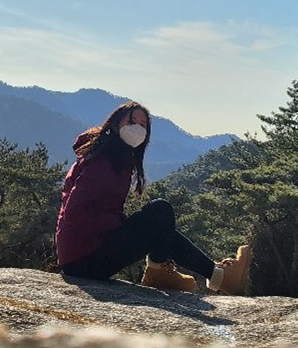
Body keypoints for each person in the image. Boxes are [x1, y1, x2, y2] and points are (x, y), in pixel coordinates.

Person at [55, 100, 251, 293]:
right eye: (132, 122)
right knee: (160, 211)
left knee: (159, 223)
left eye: (143, 125)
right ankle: (173, 274)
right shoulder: (102, 161)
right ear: (116, 125)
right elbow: (75, 213)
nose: (137, 129)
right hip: (83, 260)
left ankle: (215, 275)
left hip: (84, 255)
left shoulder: (116, 157)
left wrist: (120, 224)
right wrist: (118, 223)